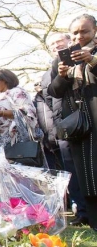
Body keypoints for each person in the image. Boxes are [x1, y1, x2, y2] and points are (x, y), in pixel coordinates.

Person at [48, 14, 97, 231]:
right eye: (75, 32)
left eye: (84, 31)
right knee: (87, 176)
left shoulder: (93, 54)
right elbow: (54, 91)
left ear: (95, 30)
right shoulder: (62, 58)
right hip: (80, 126)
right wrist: (61, 75)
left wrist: (92, 61)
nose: (79, 36)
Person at [43, 32, 89, 227]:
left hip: (86, 118)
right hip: (64, 125)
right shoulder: (51, 70)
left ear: (69, 41)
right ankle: (83, 211)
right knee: (72, 170)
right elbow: (51, 96)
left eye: (59, 41)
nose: (56, 45)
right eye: (52, 43)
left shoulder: (85, 56)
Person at [0, 69, 40, 153]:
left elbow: (27, 112)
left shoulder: (18, 92)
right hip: (1, 142)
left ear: (5, 80)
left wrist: (3, 113)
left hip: (17, 141)